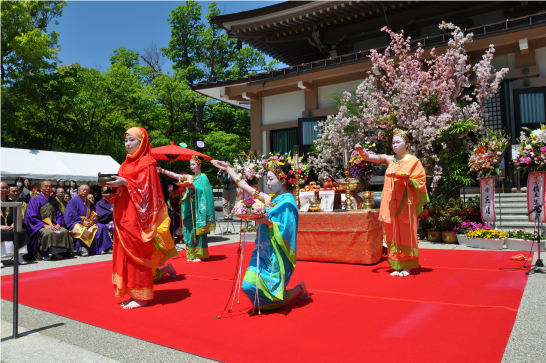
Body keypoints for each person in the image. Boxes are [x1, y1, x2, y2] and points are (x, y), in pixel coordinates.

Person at [211, 158, 309, 311]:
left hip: (275, 254)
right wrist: (228, 168)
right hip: (261, 250)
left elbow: (288, 230)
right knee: (248, 286)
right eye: (267, 179)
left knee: (273, 299)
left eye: (270, 179)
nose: (268, 183)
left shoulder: (288, 202)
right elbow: (244, 185)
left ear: (283, 180)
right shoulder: (270, 199)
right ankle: (272, 300)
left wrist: (268, 222)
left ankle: (298, 289)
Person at [105, 127, 177, 309]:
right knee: (125, 256)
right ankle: (132, 292)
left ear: (142, 142)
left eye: (132, 140)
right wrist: (111, 189)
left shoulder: (148, 163)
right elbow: (123, 190)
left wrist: (126, 183)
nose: (127, 144)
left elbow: (149, 192)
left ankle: (142, 296)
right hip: (123, 216)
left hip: (139, 218)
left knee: (138, 256)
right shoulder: (124, 165)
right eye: (126, 140)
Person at [355, 129, 429, 277]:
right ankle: (396, 264)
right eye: (393, 142)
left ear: (406, 144)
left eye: (398, 142)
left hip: (405, 204)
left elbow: (421, 181)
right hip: (391, 202)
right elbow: (371, 157)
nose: (394, 145)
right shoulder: (390, 159)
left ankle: (407, 265)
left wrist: (408, 180)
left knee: (406, 233)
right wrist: (361, 152)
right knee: (392, 232)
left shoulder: (413, 161)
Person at [158, 155, 216, 262]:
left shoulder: (203, 177)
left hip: (197, 207)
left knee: (197, 229)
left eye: (193, 164)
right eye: (190, 164)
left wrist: (193, 187)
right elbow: (176, 176)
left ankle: (199, 254)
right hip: (189, 206)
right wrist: (163, 170)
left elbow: (206, 192)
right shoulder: (190, 177)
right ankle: (192, 254)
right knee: (189, 229)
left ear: (200, 165)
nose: (191, 166)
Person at [23, 181, 73, 260]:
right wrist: (45, 226)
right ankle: (44, 253)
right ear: (40, 188)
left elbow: (59, 214)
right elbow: (32, 216)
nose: (48, 188)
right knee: (48, 233)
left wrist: (58, 224)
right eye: (46, 186)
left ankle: (57, 252)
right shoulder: (34, 200)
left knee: (64, 231)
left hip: (53, 224)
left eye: (50, 186)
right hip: (41, 226)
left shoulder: (53, 200)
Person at [64, 185, 112, 257]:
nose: (85, 191)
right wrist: (82, 222)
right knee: (80, 229)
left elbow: (95, 214)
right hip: (77, 222)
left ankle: (101, 248)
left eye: (87, 190)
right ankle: (83, 249)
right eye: (83, 190)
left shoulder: (90, 203)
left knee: (101, 227)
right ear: (78, 191)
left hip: (89, 222)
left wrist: (93, 221)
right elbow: (72, 213)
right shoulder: (72, 201)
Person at [1, 182, 31, 266]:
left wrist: (14, 223)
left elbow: (17, 216)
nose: (4, 190)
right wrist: (1, 226)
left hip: (10, 226)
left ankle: (19, 256)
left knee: (22, 231)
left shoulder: (10, 202)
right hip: (1, 227)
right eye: (2, 188)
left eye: (6, 188)